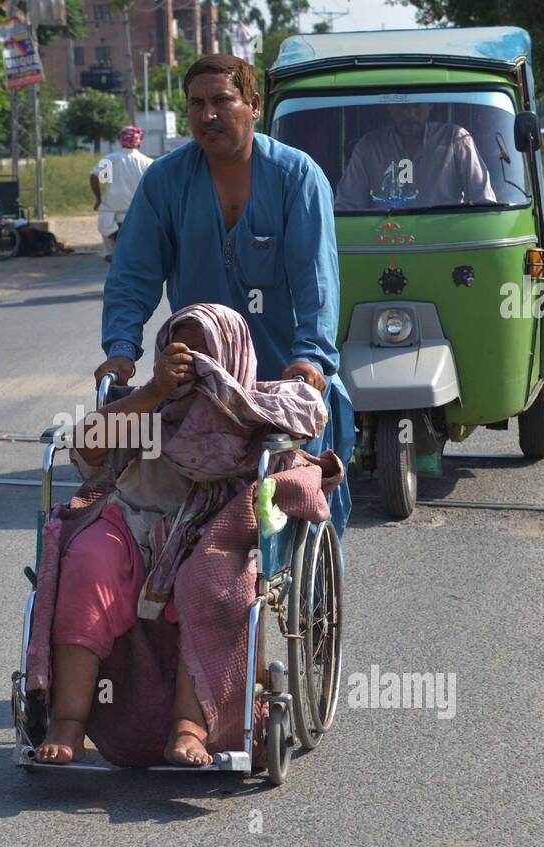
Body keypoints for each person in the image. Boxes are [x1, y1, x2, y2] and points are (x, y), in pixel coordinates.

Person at [34, 304, 334, 766]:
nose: (191, 358)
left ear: (229, 354)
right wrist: (154, 391)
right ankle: (68, 722)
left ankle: (189, 726)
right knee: (87, 561)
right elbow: (86, 445)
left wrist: (304, 376)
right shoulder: (152, 409)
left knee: (211, 584)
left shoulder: (255, 409)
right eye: (181, 346)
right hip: (133, 522)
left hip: (213, 530)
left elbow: (308, 414)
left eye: (202, 348)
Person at [96, 53, 353, 543]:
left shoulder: (297, 177)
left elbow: (316, 281)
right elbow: (133, 276)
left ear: (253, 104)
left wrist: (311, 358)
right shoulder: (165, 181)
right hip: (201, 382)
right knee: (193, 526)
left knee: (305, 519)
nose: (207, 115)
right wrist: (120, 351)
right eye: (196, 104)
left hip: (285, 380)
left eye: (221, 100)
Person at [334, 101, 495, 210]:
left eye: (416, 105)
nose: (410, 113)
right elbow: (347, 208)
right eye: (402, 106)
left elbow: (484, 202)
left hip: (445, 243)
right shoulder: (368, 147)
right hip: (385, 244)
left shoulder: (456, 139)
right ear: (389, 107)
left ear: (430, 104)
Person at [90, 125, 153, 262]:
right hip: (136, 214)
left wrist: (98, 199)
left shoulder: (110, 159)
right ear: (139, 140)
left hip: (111, 214)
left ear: (120, 140)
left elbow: (95, 176)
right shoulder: (147, 162)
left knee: (113, 257)